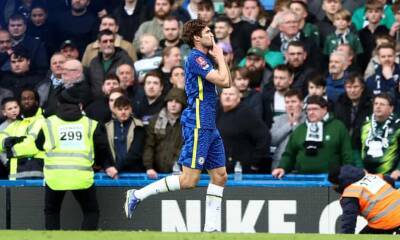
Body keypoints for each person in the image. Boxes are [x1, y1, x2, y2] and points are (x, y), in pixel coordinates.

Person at [124, 19, 231, 233]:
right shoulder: (195, 58)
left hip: (209, 123)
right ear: (197, 37)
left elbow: (223, 79)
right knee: (189, 180)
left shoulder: (204, 58)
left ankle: (210, 229)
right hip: (199, 122)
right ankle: (137, 194)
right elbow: (225, 81)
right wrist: (220, 56)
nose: (212, 34)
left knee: (220, 175)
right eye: (208, 31)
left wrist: (218, 58)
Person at [9, 88, 113, 230]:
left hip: (55, 177)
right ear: (80, 105)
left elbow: (39, 145)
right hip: (81, 176)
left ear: (59, 103)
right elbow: (102, 147)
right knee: (90, 211)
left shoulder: (48, 123)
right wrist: (99, 164)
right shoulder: (90, 124)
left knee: (52, 211)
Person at [272, 95, 353, 178]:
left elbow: (346, 153)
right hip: (303, 179)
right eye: (308, 109)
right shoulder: (300, 129)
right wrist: (282, 168)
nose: (311, 112)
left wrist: (348, 173)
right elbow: (289, 154)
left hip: (332, 180)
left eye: (315, 109)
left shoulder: (338, 127)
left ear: (325, 109)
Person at [328, 165, 400, 234]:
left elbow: (349, 220)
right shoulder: (372, 176)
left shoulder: (350, 193)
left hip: (387, 223)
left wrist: (345, 237)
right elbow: (390, 180)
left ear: (337, 183)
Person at [0, 89, 45, 180]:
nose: (26, 101)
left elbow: (32, 146)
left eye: (30, 98)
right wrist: (6, 142)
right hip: (14, 176)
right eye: (23, 99)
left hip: (38, 174)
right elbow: (1, 140)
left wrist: (11, 150)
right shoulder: (16, 123)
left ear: (36, 102)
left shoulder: (43, 120)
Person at [143, 88, 186, 179]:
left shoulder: (188, 123)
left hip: (180, 173)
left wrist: (182, 167)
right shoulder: (155, 121)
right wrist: (149, 167)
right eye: (170, 101)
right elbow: (149, 145)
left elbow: (188, 147)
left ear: (182, 104)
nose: (173, 104)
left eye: (177, 101)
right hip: (155, 173)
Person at [361, 93, 400, 180]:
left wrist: (398, 170)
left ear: (391, 108)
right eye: (376, 104)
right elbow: (355, 147)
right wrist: (360, 168)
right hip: (365, 176)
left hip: (389, 177)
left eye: (382, 104)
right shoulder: (365, 123)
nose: (378, 107)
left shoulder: (398, 125)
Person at [105, 96, 145, 174]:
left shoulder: (138, 125)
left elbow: (135, 152)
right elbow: (105, 151)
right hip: (113, 173)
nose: (123, 112)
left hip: (134, 173)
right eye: (120, 109)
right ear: (114, 110)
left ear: (131, 109)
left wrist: (117, 168)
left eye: (126, 109)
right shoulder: (107, 127)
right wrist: (108, 167)